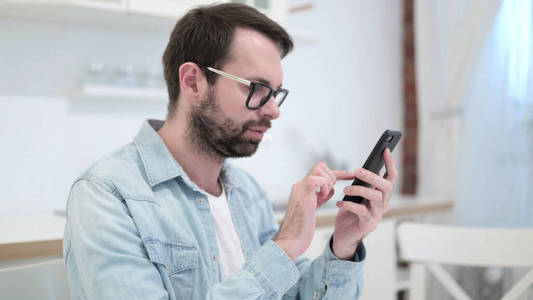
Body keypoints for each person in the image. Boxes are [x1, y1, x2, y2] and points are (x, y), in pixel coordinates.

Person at [63, 3, 398, 299]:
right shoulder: (107, 195)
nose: (273, 111)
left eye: (276, 93)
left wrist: (343, 246)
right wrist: (285, 246)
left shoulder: (247, 193)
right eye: (257, 88)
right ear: (193, 81)